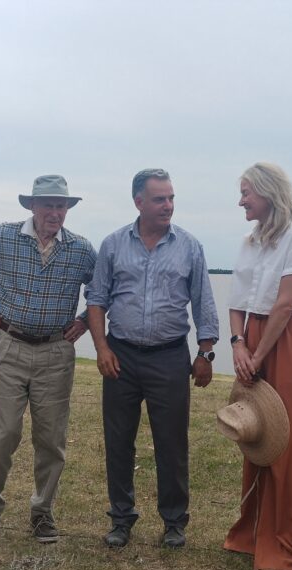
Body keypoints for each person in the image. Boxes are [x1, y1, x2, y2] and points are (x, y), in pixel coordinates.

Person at [0, 174, 96, 544]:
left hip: (56, 353)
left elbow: (104, 288)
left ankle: (42, 513)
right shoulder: (4, 236)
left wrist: (84, 320)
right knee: (1, 435)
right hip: (9, 347)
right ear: (33, 206)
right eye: (48, 205)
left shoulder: (81, 249)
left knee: (51, 439)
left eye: (61, 206)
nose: (55, 212)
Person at [86, 168, 219, 549]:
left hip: (169, 358)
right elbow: (97, 299)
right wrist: (102, 349)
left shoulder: (189, 246)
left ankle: (174, 522)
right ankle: (121, 518)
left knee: (172, 444)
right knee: (118, 441)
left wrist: (204, 353)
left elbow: (203, 303)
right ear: (139, 202)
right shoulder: (113, 245)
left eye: (171, 198)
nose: (168, 206)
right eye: (160, 199)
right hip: (121, 357)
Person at [223, 162, 292, 570]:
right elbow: (236, 300)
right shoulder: (249, 242)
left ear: (268, 192)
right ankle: (254, 530)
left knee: (289, 440)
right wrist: (238, 345)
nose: (241, 201)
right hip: (252, 339)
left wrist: (258, 354)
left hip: (285, 341)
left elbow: (284, 305)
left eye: (246, 192)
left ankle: (289, 538)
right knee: (258, 433)